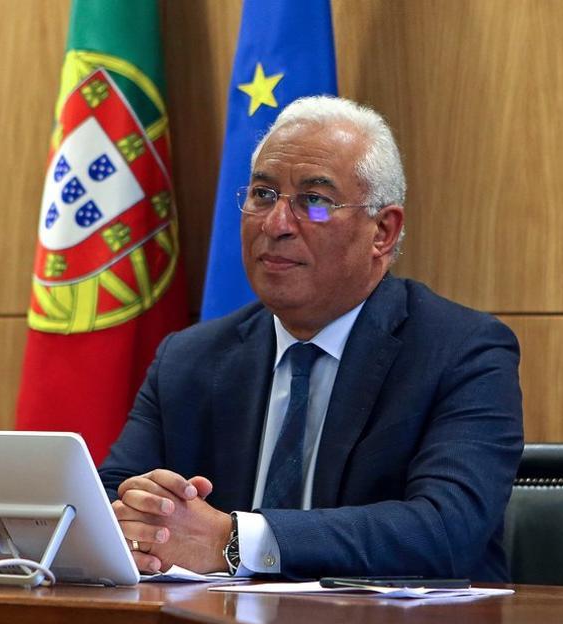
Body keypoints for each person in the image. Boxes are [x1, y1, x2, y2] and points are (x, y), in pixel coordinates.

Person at [98, 96, 523, 580]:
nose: (277, 224)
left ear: (382, 232)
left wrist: (234, 539)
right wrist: (143, 515)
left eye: (314, 201)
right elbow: (110, 495)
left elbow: (448, 529)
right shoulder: (191, 359)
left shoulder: (463, 352)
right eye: (262, 194)